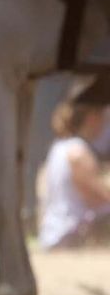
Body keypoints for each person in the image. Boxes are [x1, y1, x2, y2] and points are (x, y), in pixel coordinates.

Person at [39, 100, 110, 250]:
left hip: (54, 233)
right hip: (68, 235)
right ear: (92, 118)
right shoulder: (78, 152)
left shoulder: (60, 147)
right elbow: (98, 198)